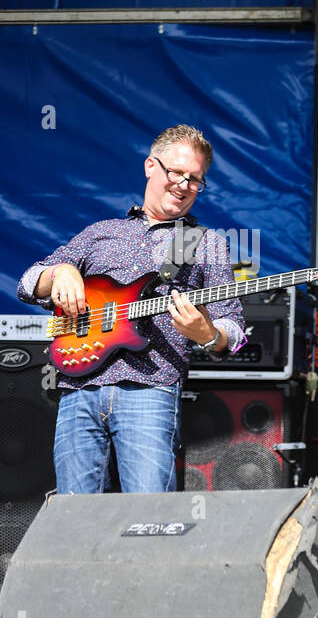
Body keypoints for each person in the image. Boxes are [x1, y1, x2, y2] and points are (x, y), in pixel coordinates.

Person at [17, 124, 245, 494]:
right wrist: (61, 273)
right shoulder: (100, 233)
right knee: (75, 516)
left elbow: (234, 332)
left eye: (195, 180)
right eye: (176, 173)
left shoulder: (206, 244)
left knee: (147, 515)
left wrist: (210, 336)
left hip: (151, 390)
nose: (184, 185)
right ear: (150, 166)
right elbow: (27, 283)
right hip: (80, 386)